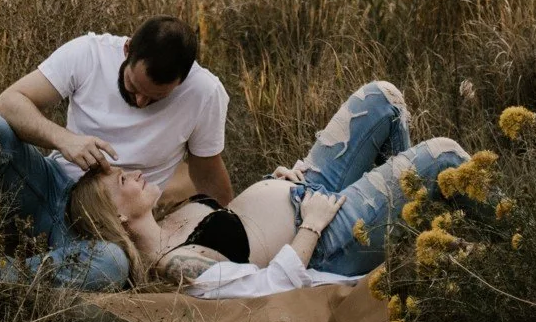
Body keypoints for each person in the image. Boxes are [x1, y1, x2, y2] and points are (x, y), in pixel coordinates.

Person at [0, 15, 232, 290]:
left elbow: (207, 174)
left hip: (109, 228)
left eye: (155, 97)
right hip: (46, 189)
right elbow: (9, 102)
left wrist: (238, 230)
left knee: (110, 265)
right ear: (127, 50)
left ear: (183, 80)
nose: (141, 102)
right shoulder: (89, 53)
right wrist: (64, 140)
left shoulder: (204, 94)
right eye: (132, 87)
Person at [59, 80, 470, 298]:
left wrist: (275, 185)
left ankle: (418, 234)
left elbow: (243, 220)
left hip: (305, 189)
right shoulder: (176, 268)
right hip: (327, 238)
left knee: (384, 99)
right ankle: (512, 243)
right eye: (119, 182)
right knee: (445, 156)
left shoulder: (168, 219)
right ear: (117, 217)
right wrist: (310, 224)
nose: (130, 173)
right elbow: (270, 285)